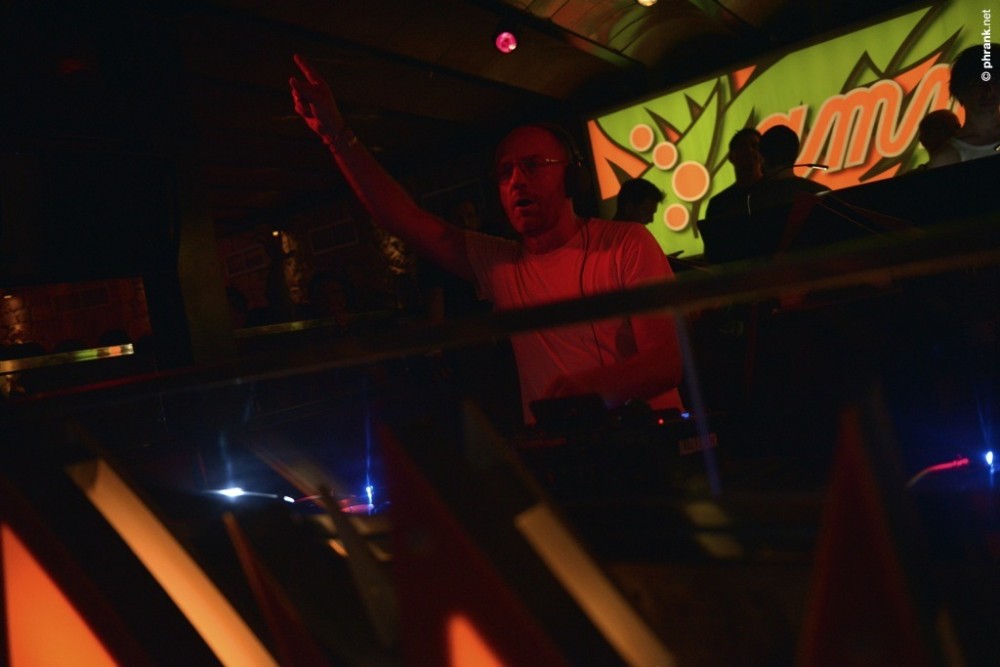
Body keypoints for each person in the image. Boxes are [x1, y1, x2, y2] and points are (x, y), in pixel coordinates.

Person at [289, 54, 685, 424]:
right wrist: (336, 136)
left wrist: (589, 390)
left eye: (532, 165)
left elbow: (666, 361)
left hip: (650, 442)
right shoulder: (500, 264)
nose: (516, 181)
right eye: (505, 172)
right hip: (562, 452)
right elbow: (404, 218)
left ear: (572, 176)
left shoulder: (627, 243)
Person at [927, 46, 1000, 168]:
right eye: (977, 82)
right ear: (960, 89)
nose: (988, 90)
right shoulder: (947, 158)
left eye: (995, 81)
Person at [705, 128, 763, 220]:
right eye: (742, 147)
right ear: (731, 157)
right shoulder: (718, 204)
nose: (749, 150)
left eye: (754, 146)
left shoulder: (777, 192)